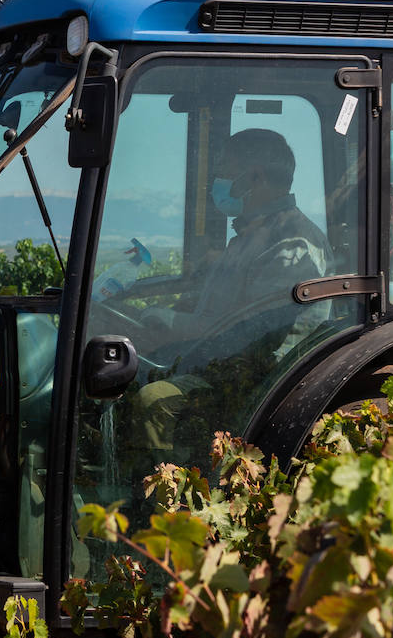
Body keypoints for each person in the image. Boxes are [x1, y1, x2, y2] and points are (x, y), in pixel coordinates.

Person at [133, 128, 329, 461]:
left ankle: (157, 504)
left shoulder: (291, 246)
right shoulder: (252, 235)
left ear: (254, 177)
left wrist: (171, 323)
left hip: (260, 381)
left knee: (155, 398)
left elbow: (244, 334)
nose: (216, 183)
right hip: (227, 364)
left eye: (224, 171)